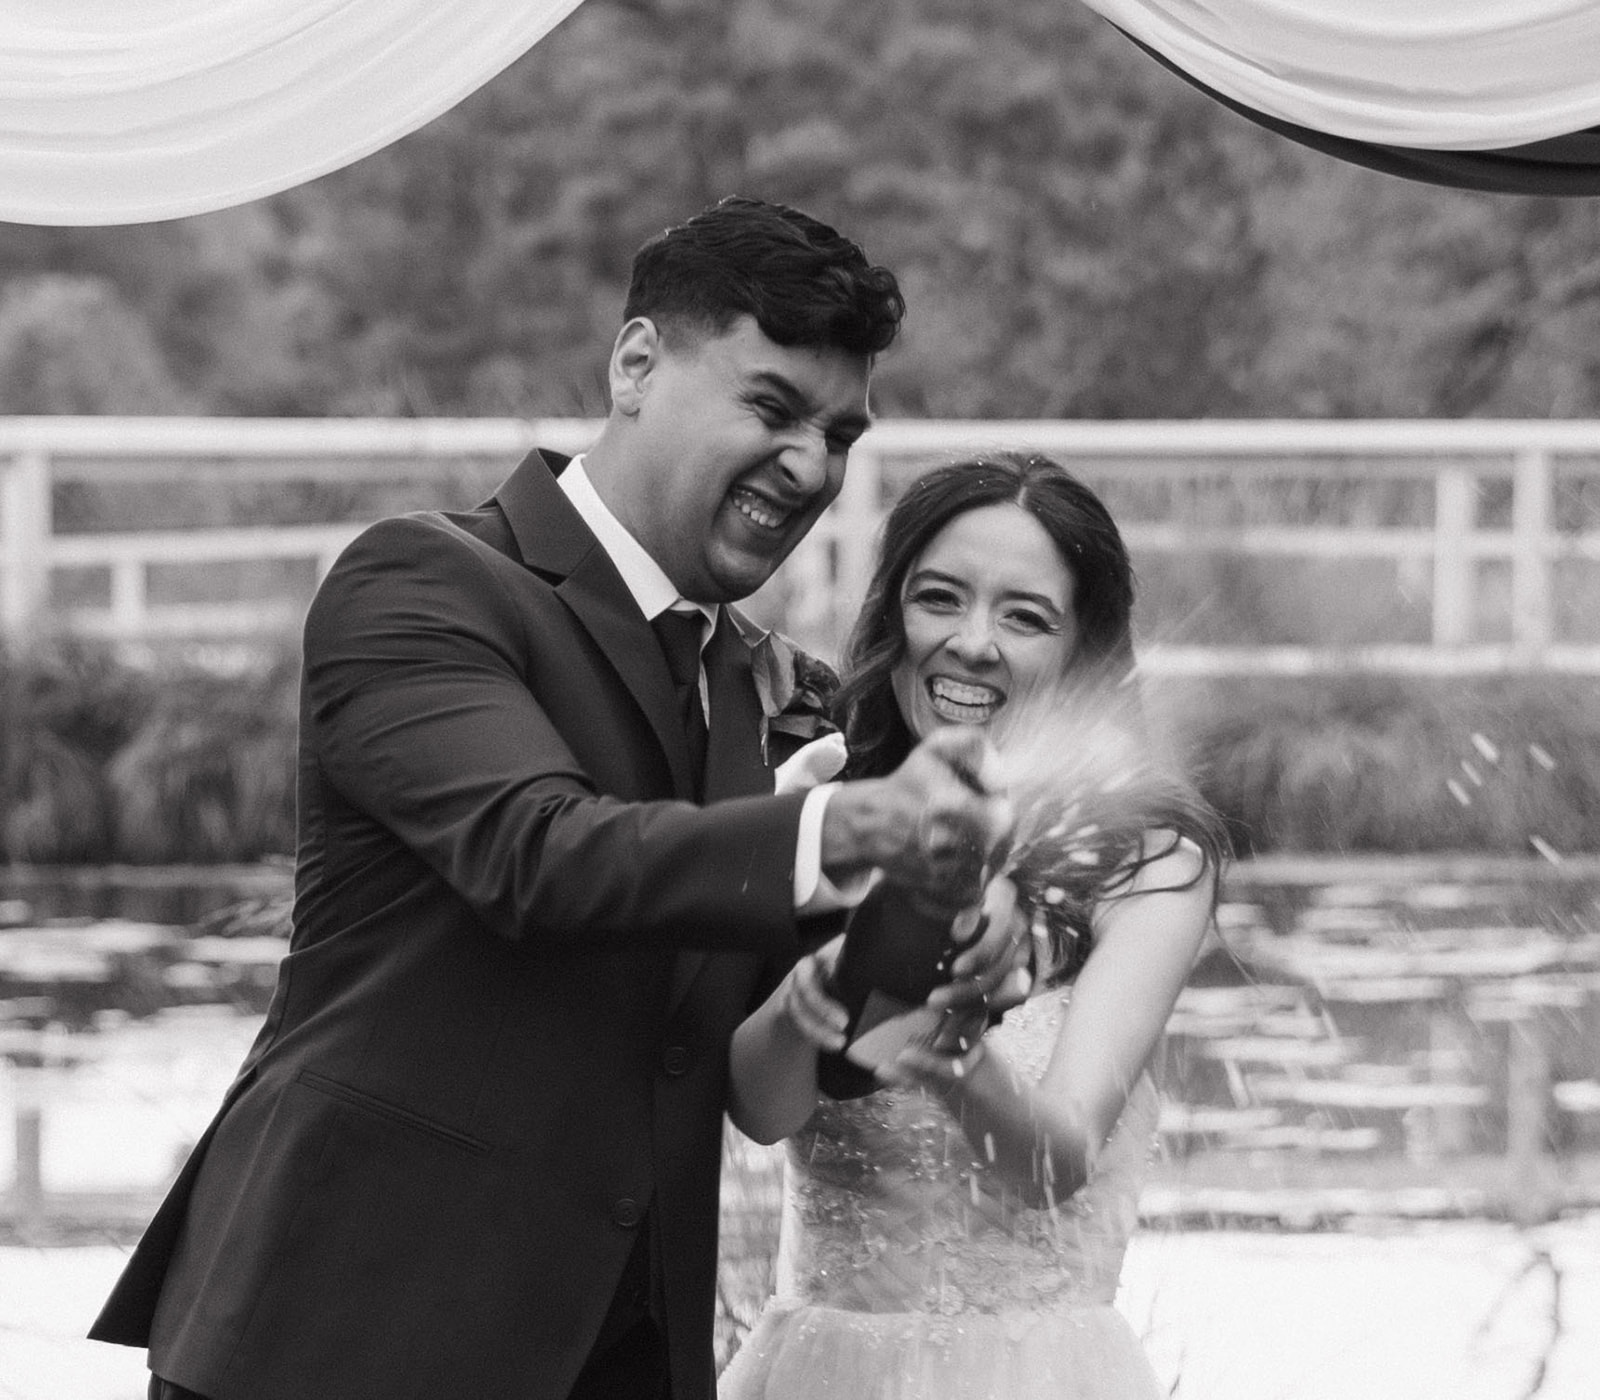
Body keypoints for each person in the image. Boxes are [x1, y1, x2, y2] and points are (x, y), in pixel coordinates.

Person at [89, 197, 1028, 1400]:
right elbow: (544, 856)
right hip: (343, 1338)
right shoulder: (422, 581)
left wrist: (937, 924)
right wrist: (847, 829)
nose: (809, 466)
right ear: (635, 363)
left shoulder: (770, 690)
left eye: (839, 433)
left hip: (622, 1357)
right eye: (771, 407)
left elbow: (788, 1044)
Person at [719, 452, 1229, 1400]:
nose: (972, 643)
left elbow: (1060, 1160)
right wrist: (808, 997)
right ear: (892, 614)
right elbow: (761, 1113)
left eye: (1024, 617)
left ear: (1083, 651)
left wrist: (953, 1057)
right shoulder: (822, 810)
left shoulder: (1151, 863)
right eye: (939, 599)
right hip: (817, 1371)